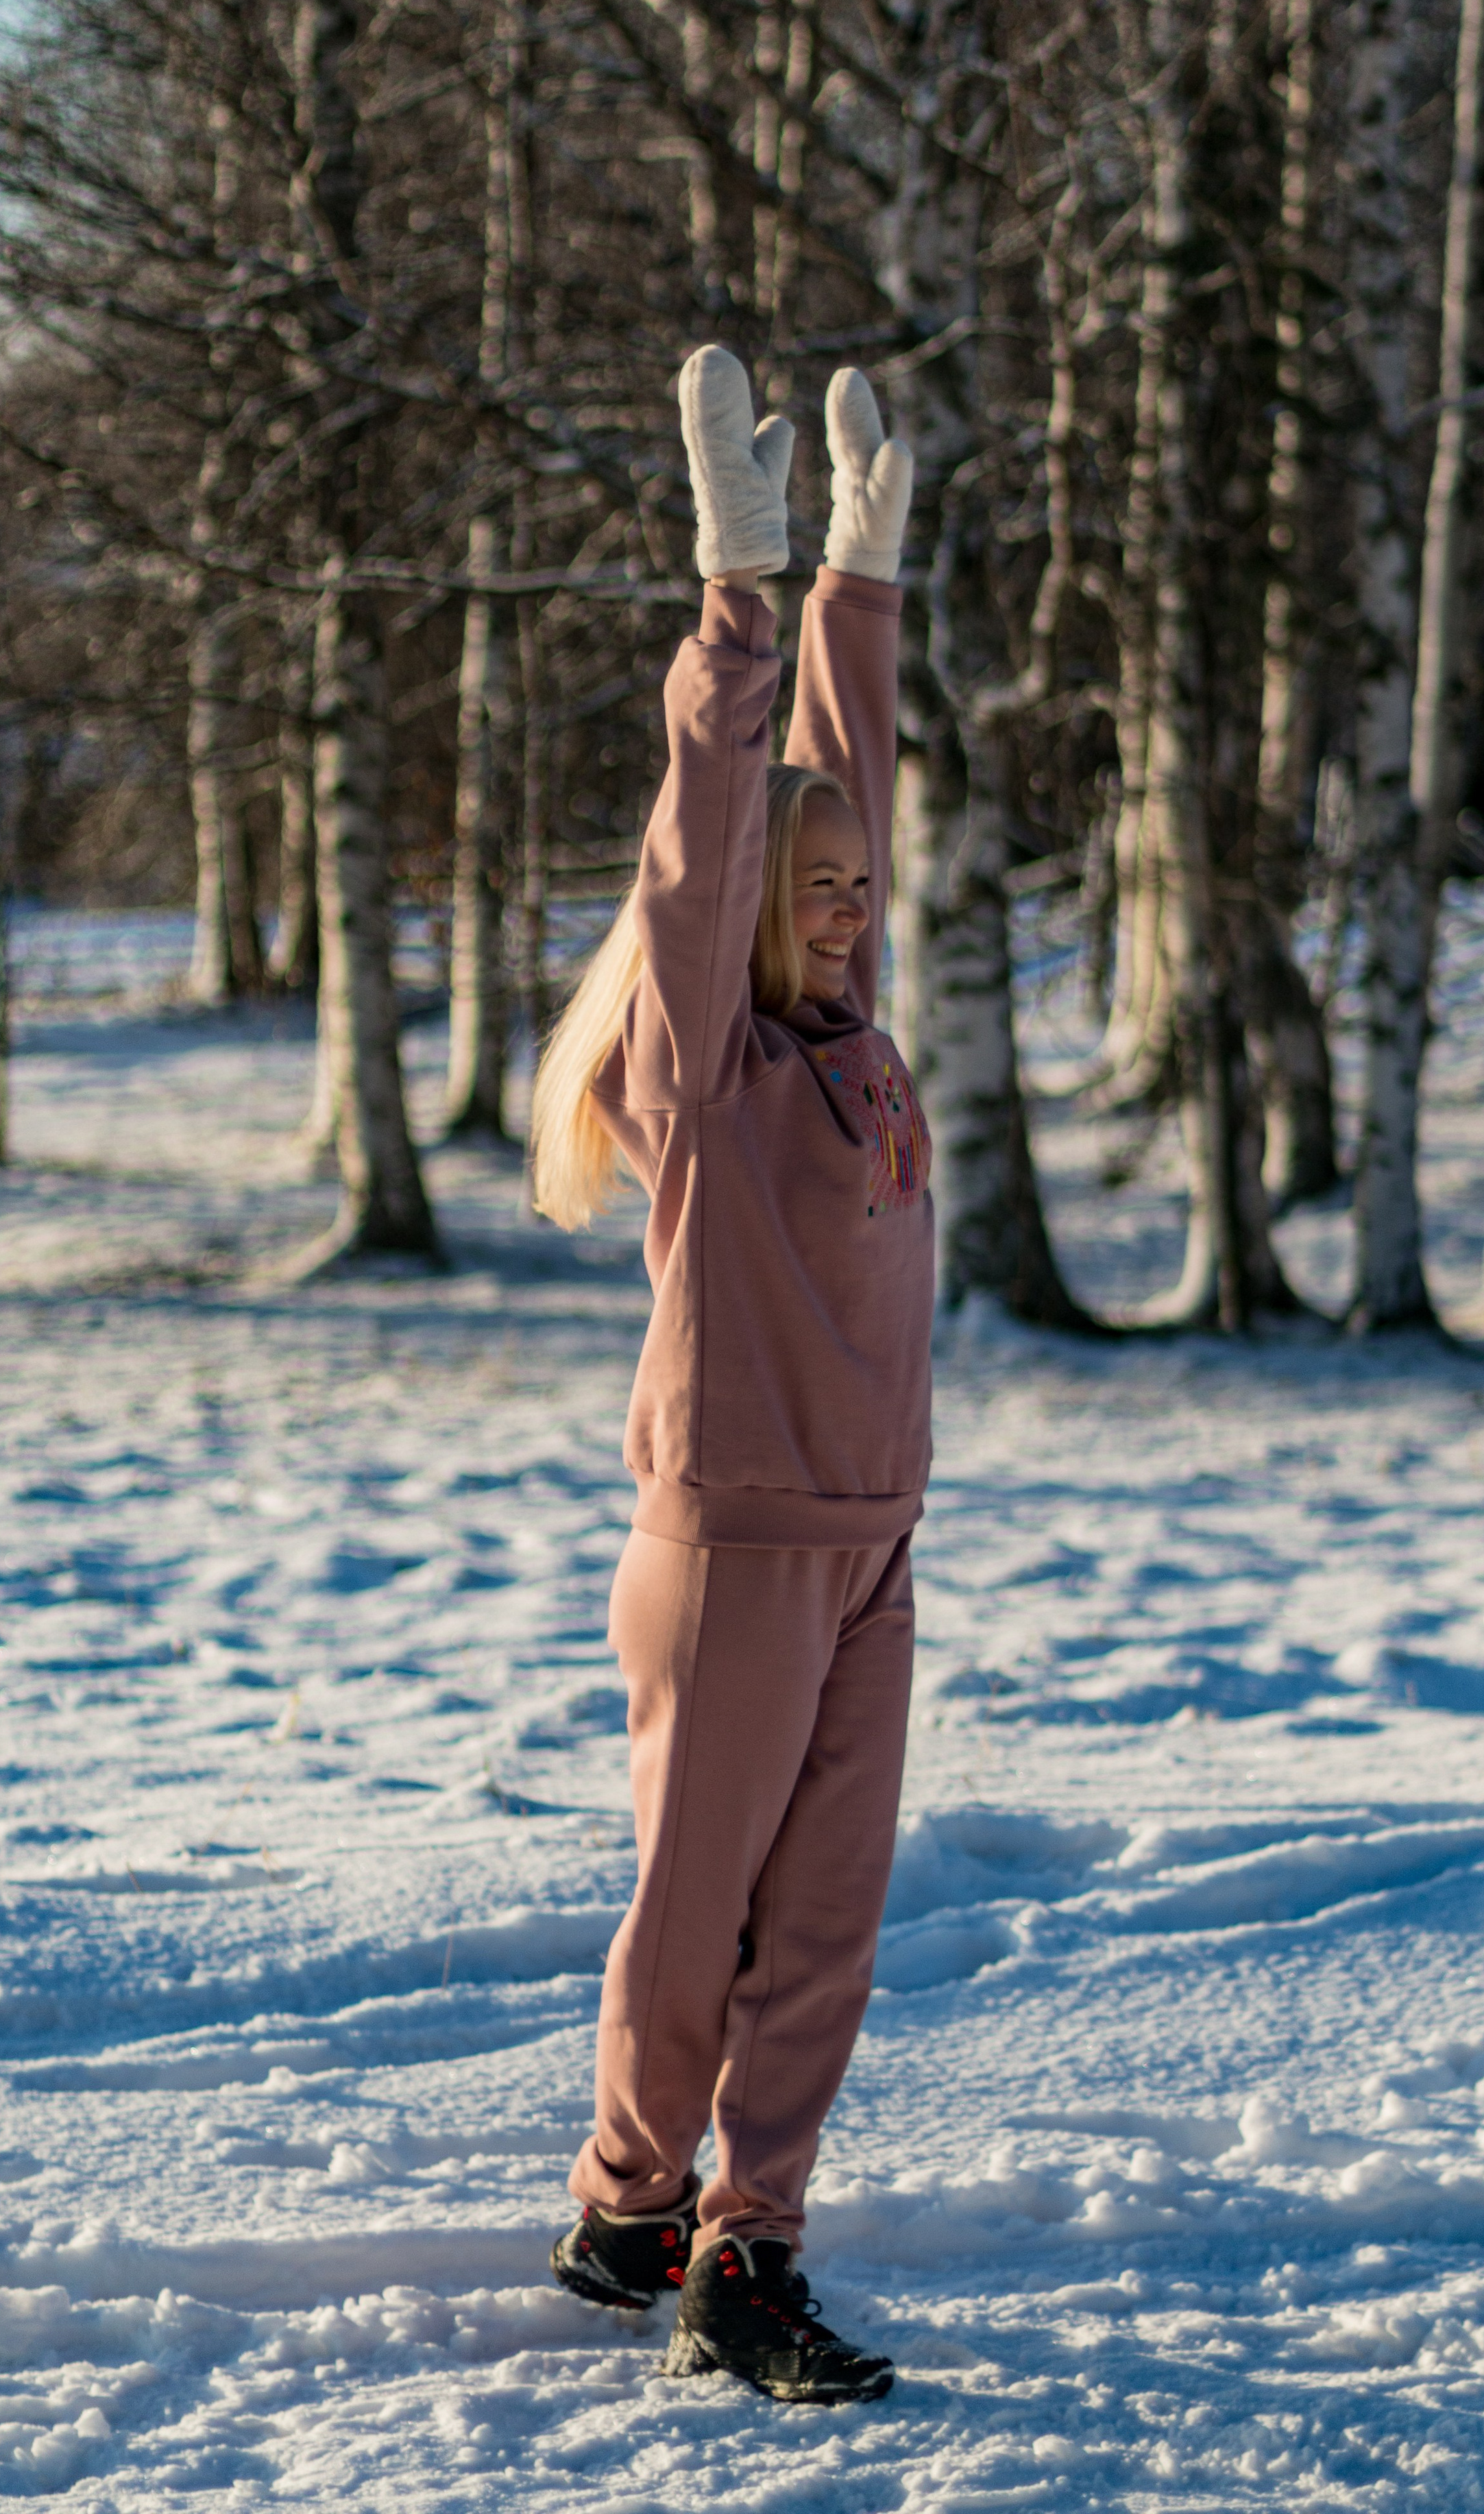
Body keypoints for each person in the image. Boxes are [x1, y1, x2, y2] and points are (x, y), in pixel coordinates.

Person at [528, 347, 930, 2404]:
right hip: (731, 1545)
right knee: (699, 1928)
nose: (852, 915)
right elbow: (714, 842)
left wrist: (869, 574)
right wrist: (745, 598)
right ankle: (625, 2200)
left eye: (866, 891)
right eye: (821, 893)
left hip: (871, 1554)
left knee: (827, 1929)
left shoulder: (868, 1060)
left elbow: (845, 786)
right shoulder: (712, 1078)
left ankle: (740, 2253)